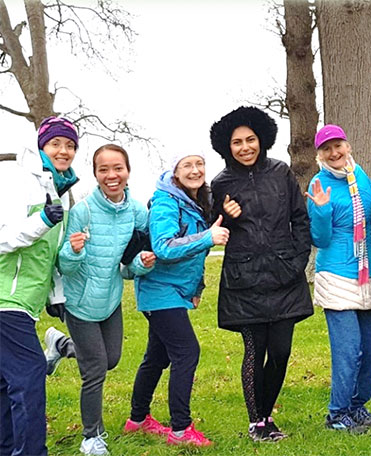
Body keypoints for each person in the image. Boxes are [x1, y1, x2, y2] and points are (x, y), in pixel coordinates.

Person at [209, 106, 313, 442]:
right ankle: (258, 423)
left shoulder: (281, 172)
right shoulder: (221, 182)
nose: (245, 147)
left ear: (261, 139)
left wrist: (297, 261)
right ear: (227, 146)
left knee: (281, 351)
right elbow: (214, 226)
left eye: (250, 139)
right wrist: (226, 213)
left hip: (285, 275)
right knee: (255, 350)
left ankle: (267, 414)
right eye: (237, 142)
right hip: (245, 280)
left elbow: (300, 218)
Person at [58, 144, 156, 455]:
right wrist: (73, 251)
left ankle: (61, 346)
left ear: (128, 171)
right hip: (80, 302)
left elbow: (128, 267)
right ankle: (91, 436)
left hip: (110, 300)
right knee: (96, 368)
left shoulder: (138, 212)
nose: (111, 175)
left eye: (118, 168)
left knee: (110, 359)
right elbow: (63, 265)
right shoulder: (83, 211)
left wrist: (142, 264)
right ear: (96, 174)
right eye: (104, 170)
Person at [126, 151, 227, 447]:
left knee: (157, 356)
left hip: (174, 292)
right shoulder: (166, 202)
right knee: (186, 352)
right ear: (175, 172)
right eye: (187, 165)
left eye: (199, 164)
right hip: (158, 290)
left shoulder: (196, 202)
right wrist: (208, 236)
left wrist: (196, 290)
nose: (195, 170)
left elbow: (196, 257)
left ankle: (138, 420)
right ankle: (181, 430)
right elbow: (165, 247)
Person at [0, 116, 79, 456]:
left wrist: (55, 296)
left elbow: (47, 254)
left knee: (7, 384)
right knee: (30, 376)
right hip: (6, 298)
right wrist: (42, 221)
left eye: (70, 145)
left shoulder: (55, 188)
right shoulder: (17, 181)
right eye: (56, 143)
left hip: (25, 302)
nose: (64, 151)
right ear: (41, 145)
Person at [305, 125, 371, 433]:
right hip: (337, 274)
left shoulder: (361, 178)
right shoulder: (319, 183)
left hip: (369, 273)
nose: (334, 152)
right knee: (348, 349)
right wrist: (322, 211)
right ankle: (337, 412)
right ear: (320, 154)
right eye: (327, 149)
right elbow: (320, 239)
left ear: (348, 145)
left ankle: (357, 405)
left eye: (338, 145)